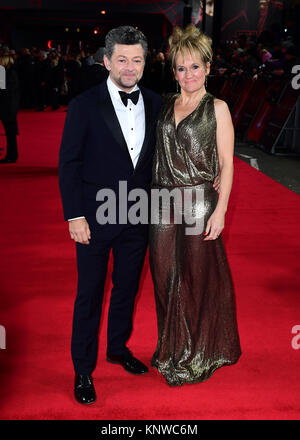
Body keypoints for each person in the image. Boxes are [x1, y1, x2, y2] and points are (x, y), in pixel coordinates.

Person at [58, 26, 163, 405]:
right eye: (122, 59)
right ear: (106, 61)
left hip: (137, 216)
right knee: (89, 294)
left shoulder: (155, 101)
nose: (130, 67)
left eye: (136, 59)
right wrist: (75, 217)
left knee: (127, 288)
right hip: (94, 216)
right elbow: (69, 163)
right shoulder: (84, 105)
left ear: (144, 62)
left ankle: (117, 348)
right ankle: (83, 369)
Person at [149, 25, 242, 386]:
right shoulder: (165, 104)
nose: (188, 74)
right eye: (180, 68)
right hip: (160, 201)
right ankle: (171, 348)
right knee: (163, 276)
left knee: (196, 278)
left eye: (194, 67)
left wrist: (220, 210)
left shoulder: (217, 107)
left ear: (207, 67)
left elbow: (228, 162)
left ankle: (199, 352)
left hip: (198, 201)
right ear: (173, 71)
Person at [0, 54, 19, 164]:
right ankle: (12, 155)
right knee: (10, 134)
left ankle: (11, 156)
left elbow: (3, 91)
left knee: (10, 134)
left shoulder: (5, 73)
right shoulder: (9, 72)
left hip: (7, 107)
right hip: (9, 107)